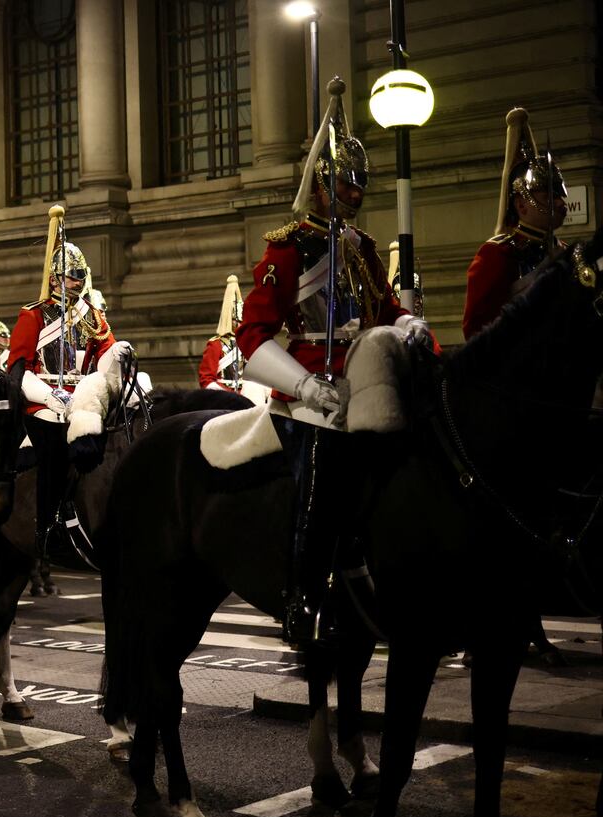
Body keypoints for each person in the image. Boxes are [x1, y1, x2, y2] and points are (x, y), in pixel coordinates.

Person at [237, 76, 435, 645]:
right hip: (309, 391)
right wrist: (303, 386)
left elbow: (384, 307)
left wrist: (407, 323)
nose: (355, 193)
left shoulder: (362, 248)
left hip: (365, 380)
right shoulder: (288, 248)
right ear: (323, 184)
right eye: (346, 183)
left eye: (360, 184)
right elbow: (252, 334)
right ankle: (301, 596)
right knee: (319, 481)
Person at [8, 204, 128, 555]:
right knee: (53, 453)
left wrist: (118, 353)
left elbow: (104, 352)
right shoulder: (33, 316)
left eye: (80, 276)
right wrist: (48, 397)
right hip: (44, 402)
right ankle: (48, 523)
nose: (78, 282)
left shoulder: (92, 315)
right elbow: (18, 367)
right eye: (72, 277)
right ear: (55, 278)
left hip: (84, 400)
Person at [462, 107, 567, 340]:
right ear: (522, 206)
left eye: (560, 195)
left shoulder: (564, 251)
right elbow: (478, 330)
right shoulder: (498, 254)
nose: (561, 203)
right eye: (549, 196)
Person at [198, 275, 244, 392]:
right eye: (236, 320)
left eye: (241, 320)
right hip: (223, 395)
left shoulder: (247, 343)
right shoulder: (216, 344)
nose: (240, 323)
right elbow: (206, 379)